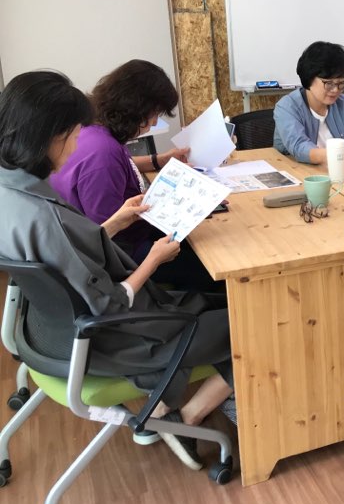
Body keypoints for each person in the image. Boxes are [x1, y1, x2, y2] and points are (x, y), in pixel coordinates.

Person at [0, 71, 236, 470]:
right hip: (113, 336)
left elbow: (68, 255)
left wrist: (111, 224)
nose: (77, 144)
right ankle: (185, 417)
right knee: (250, 319)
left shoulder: (13, 194)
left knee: (212, 302)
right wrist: (154, 259)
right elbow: (109, 305)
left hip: (48, 332)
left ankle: (166, 406)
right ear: (49, 136)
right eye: (74, 135)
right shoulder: (45, 218)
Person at [49, 60, 214, 291]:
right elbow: (112, 233)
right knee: (212, 264)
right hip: (125, 256)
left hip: (119, 242)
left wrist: (158, 160)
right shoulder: (103, 153)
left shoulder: (92, 133)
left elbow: (119, 166)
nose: (154, 122)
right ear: (135, 107)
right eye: (154, 113)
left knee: (203, 238)